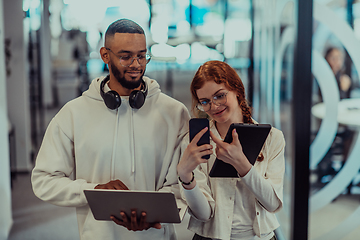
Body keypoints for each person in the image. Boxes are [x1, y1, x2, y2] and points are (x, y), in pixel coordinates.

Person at [31, 19, 190, 240]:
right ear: (105, 55)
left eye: (142, 56)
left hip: (157, 235)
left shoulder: (175, 113)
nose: (136, 64)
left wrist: (152, 213)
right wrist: (94, 191)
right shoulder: (74, 113)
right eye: (126, 56)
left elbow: (184, 182)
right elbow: (44, 180)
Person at [177, 60, 285, 240]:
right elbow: (203, 214)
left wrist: (242, 165)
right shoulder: (194, 143)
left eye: (219, 96)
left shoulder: (272, 138)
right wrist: (185, 176)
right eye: (205, 101)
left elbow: (273, 204)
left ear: (237, 91)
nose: (213, 106)